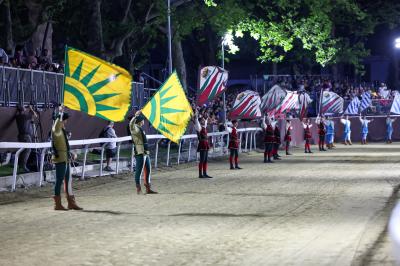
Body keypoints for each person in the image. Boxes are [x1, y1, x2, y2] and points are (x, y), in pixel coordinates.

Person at [51, 106, 82, 211]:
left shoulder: (61, 131)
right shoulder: (56, 129)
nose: (66, 122)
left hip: (65, 158)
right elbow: (57, 124)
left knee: (68, 180)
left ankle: (71, 203)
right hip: (60, 159)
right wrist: (60, 112)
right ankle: (57, 204)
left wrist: (70, 153)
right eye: (65, 119)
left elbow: (64, 146)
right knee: (59, 180)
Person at [129, 110, 157, 194]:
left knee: (148, 170)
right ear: (140, 121)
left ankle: (148, 188)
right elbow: (131, 124)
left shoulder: (140, 128)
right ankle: (138, 189)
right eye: (143, 120)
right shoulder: (134, 128)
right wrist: (136, 116)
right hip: (140, 152)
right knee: (139, 170)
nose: (144, 121)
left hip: (145, 152)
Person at [15, 104, 38, 172]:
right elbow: (35, 115)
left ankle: (20, 165)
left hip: (21, 136)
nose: (25, 108)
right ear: (22, 109)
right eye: (24, 107)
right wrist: (31, 108)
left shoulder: (18, 116)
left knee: (22, 151)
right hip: (26, 136)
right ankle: (23, 166)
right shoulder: (24, 116)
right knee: (28, 150)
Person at [194, 110, 212, 178]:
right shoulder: (199, 128)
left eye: (204, 120)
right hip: (202, 144)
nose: (204, 121)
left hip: (205, 144)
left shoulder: (203, 127)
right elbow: (197, 122)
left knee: (205, 160)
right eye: (202, 120)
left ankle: (204, 173)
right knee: (202, 160)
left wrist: (206, 117)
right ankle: (200, 174)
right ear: (200, 121)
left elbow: (206, 121)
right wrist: (196, 117)